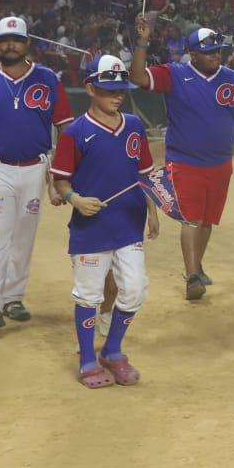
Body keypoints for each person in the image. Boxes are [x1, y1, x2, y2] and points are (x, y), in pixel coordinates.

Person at [129, 15, 234, 300]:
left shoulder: (232, 79)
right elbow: (138, 77)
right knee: (191, 219)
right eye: (208, 52)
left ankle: (198, 265)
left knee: (207, 221)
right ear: (192, 54)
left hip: (220, 163)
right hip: (184, 161)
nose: (215, 55)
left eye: (217, 50)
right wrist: (142, 41)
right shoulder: (174, 74)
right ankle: (192, 275)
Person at [49, 55, 158, 388]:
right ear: (90, 88)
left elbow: (145, 175)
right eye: (109, 90)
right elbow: (61, 179)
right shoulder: (76, 132)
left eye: (120, 91)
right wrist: (75, 199)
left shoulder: (135, 126)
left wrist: (152, 211)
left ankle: (112, 350)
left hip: (129, 223)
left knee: (136, 290)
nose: (116, 96)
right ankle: (86, 360)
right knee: (89, 295)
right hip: (91, 228)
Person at [0, 17, 75, 330]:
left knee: (24, 237)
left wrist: (60, 175)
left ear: (27, 43)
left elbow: (66, 127)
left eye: (17, 40)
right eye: (5, 39)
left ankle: (13, 297)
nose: (10, 45)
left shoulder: (47, 78)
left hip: (35, 167)